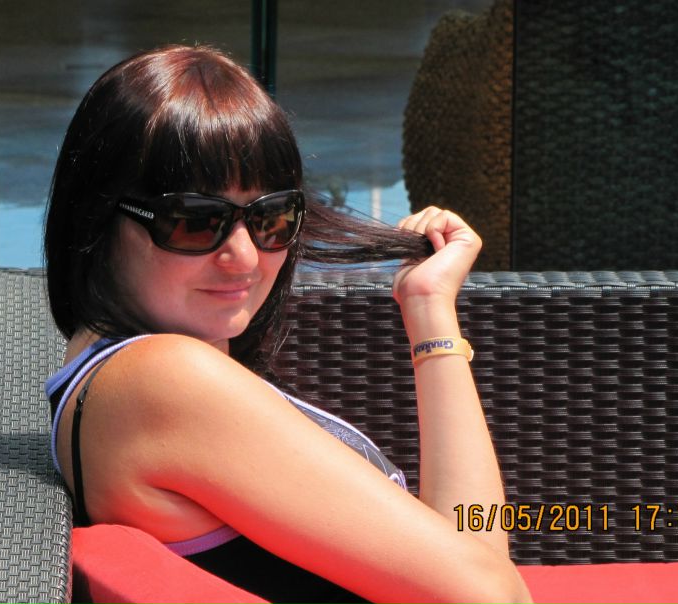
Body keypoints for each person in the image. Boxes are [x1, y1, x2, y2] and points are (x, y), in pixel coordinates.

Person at [44, 45, 532, 603]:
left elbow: (478, 557)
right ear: (98, 219)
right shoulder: (165, 380)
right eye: (195, 222)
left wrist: (428, 306)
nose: (245, 257)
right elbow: (491, 594)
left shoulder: (109, 367)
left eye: (271, 217)